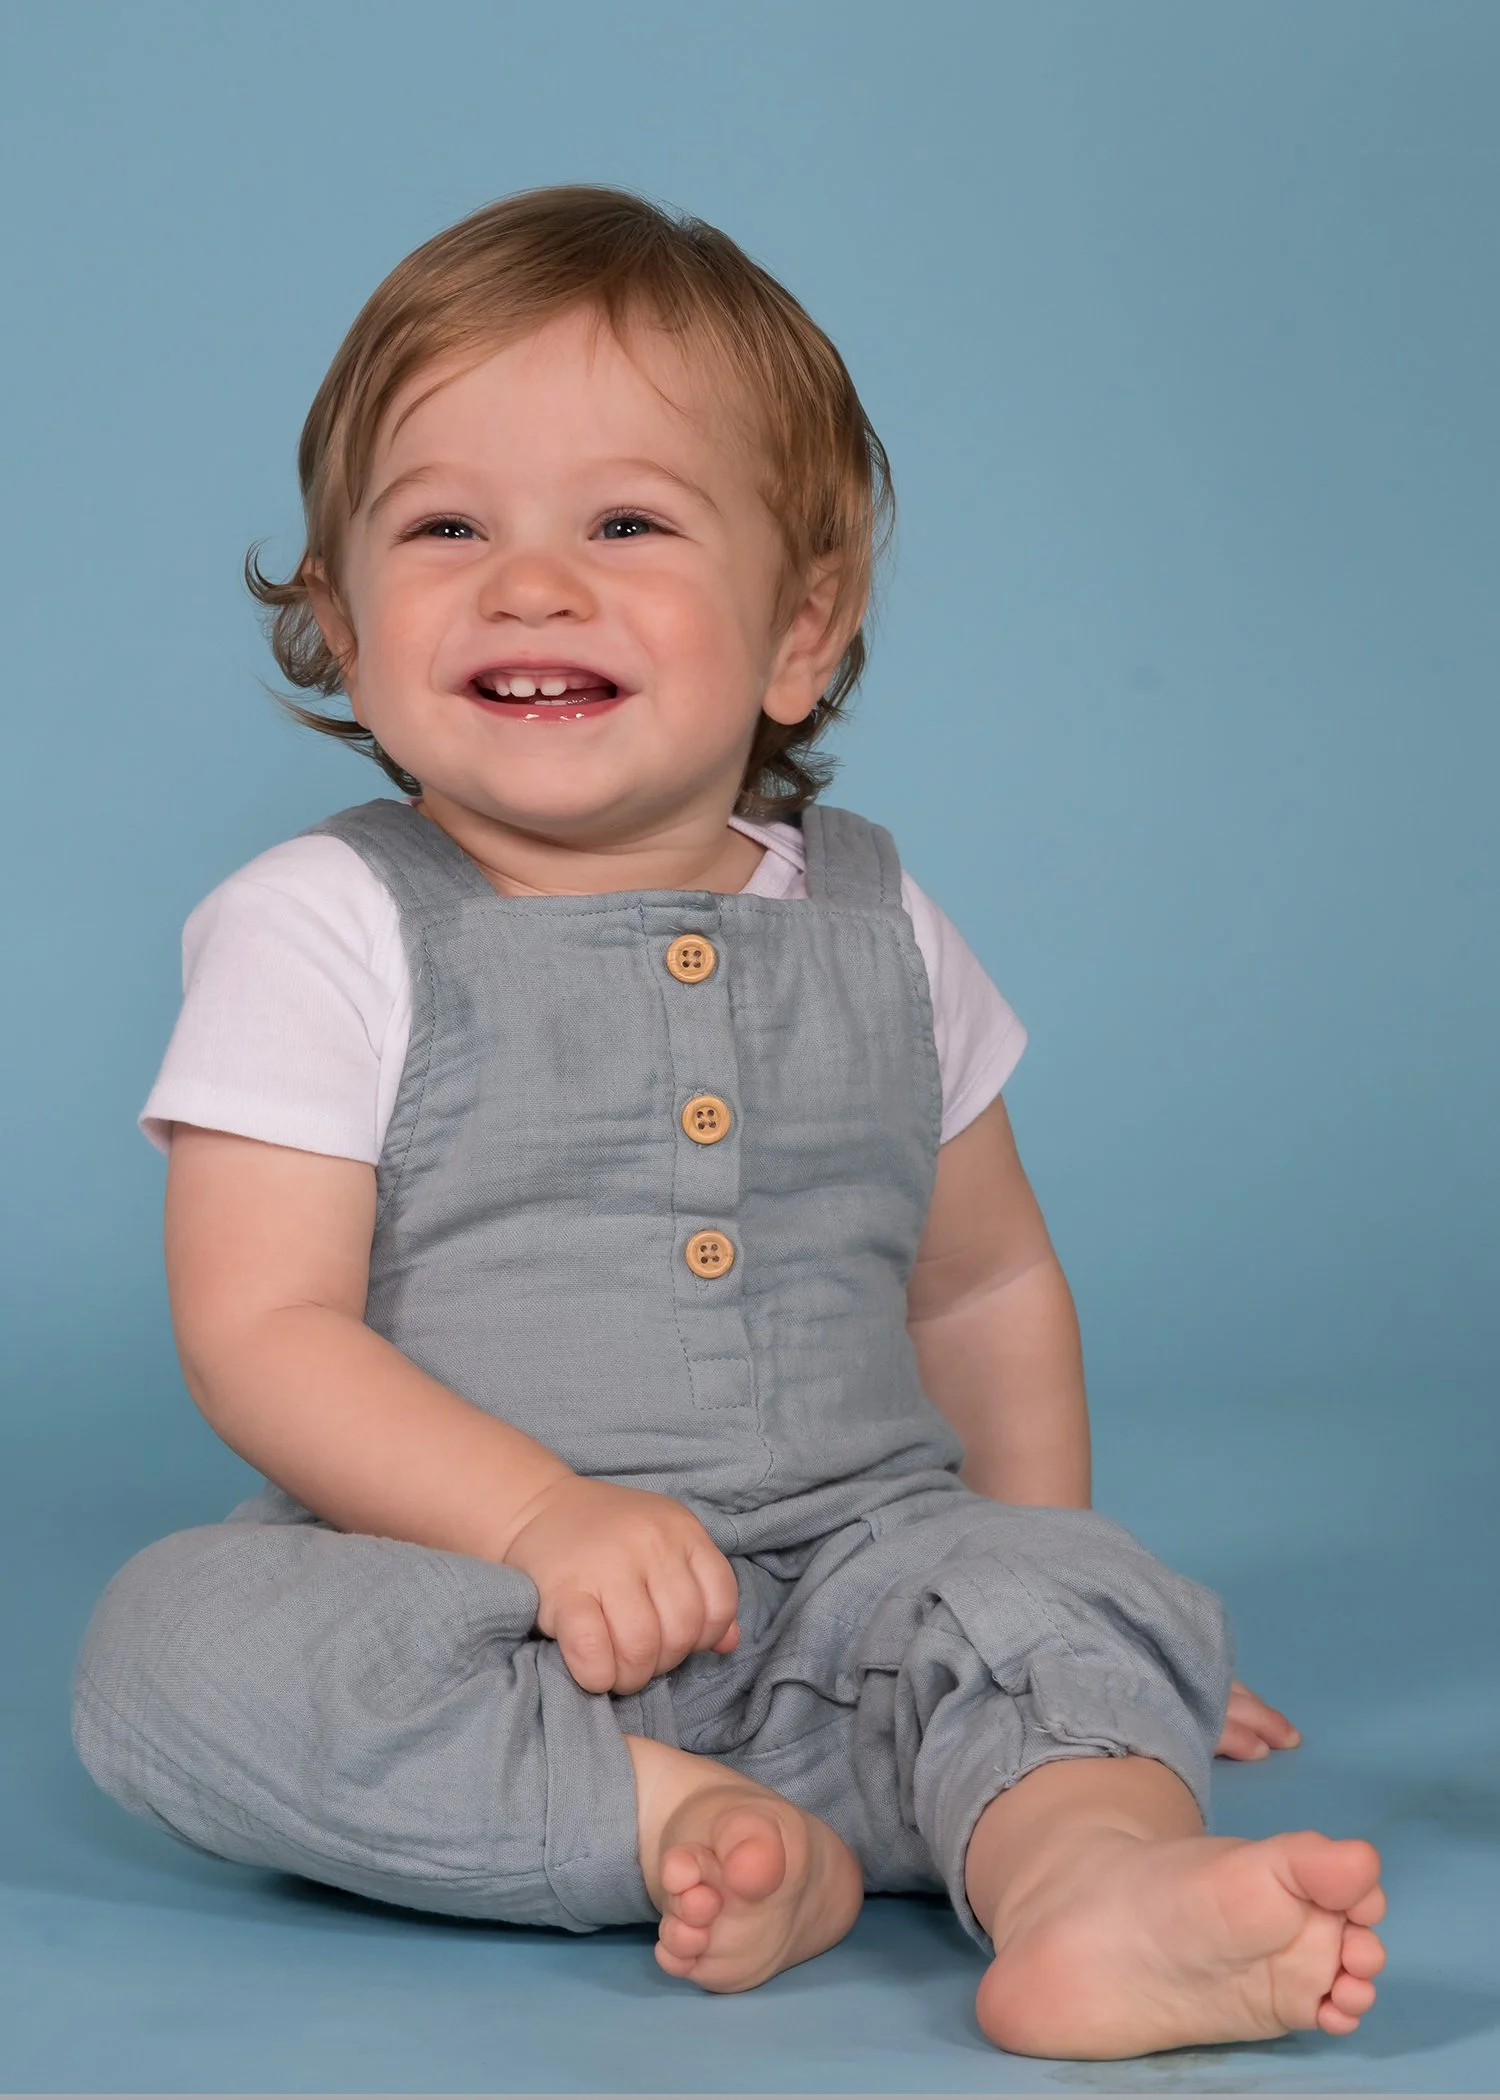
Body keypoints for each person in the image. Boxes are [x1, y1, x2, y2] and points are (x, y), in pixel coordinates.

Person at [72, 186, 1384, 2059]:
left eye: (624, 523)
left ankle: (1088, 1870)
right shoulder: (326, 921)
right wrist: (540, 1518)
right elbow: (258, 1328)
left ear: (800, 632)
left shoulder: (878, 920)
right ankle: (684, 1828)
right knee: (166, 1657)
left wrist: (1047, 1595)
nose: (530, 581)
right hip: (476, 1610)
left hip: (862, 1580)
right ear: (345, 627)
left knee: (1073, 1598)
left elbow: (987, 1284)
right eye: (445, 526)